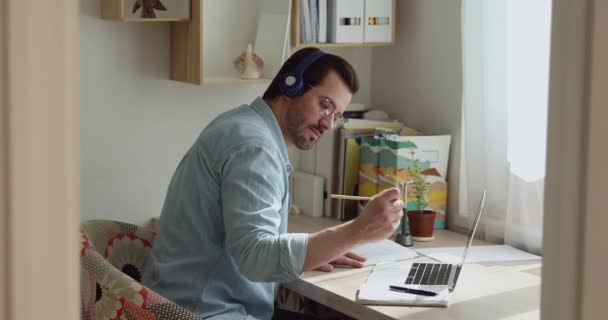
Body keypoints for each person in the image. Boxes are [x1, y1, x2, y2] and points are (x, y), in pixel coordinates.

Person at [141, 47, 404, 320]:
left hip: (182, 303)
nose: (328, 124)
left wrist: (321, 248)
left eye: (336, 116)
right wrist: (359, 231)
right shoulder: (255, 147)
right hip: (204, 312)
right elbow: (257, 257)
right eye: (325, 105)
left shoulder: (242, 123)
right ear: (292, 84)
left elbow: (252, 241)